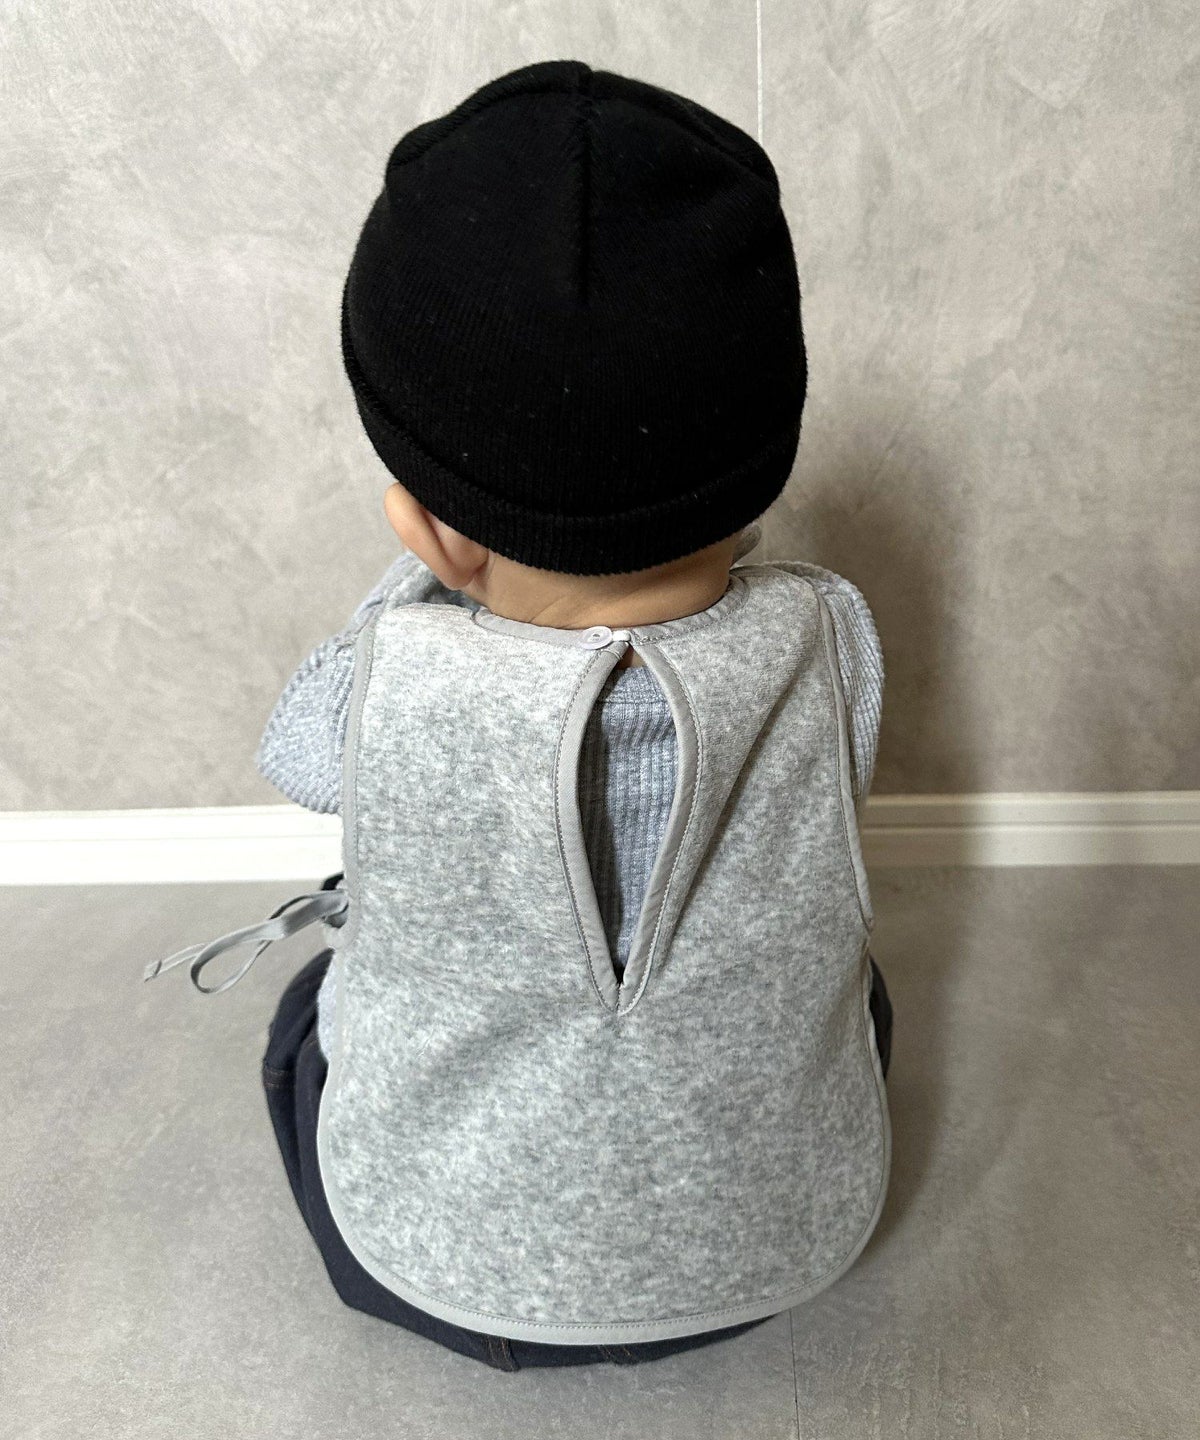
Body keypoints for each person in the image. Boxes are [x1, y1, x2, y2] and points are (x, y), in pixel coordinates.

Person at [147, 59, 893, 1373]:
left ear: (429, 524)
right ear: (760, 464)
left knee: (313, 1012)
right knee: (858, 990)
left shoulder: (392, 682)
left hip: (433, 1263)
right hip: (770, 1243)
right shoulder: (831, 642)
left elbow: (297, 749)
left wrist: (422, 583)